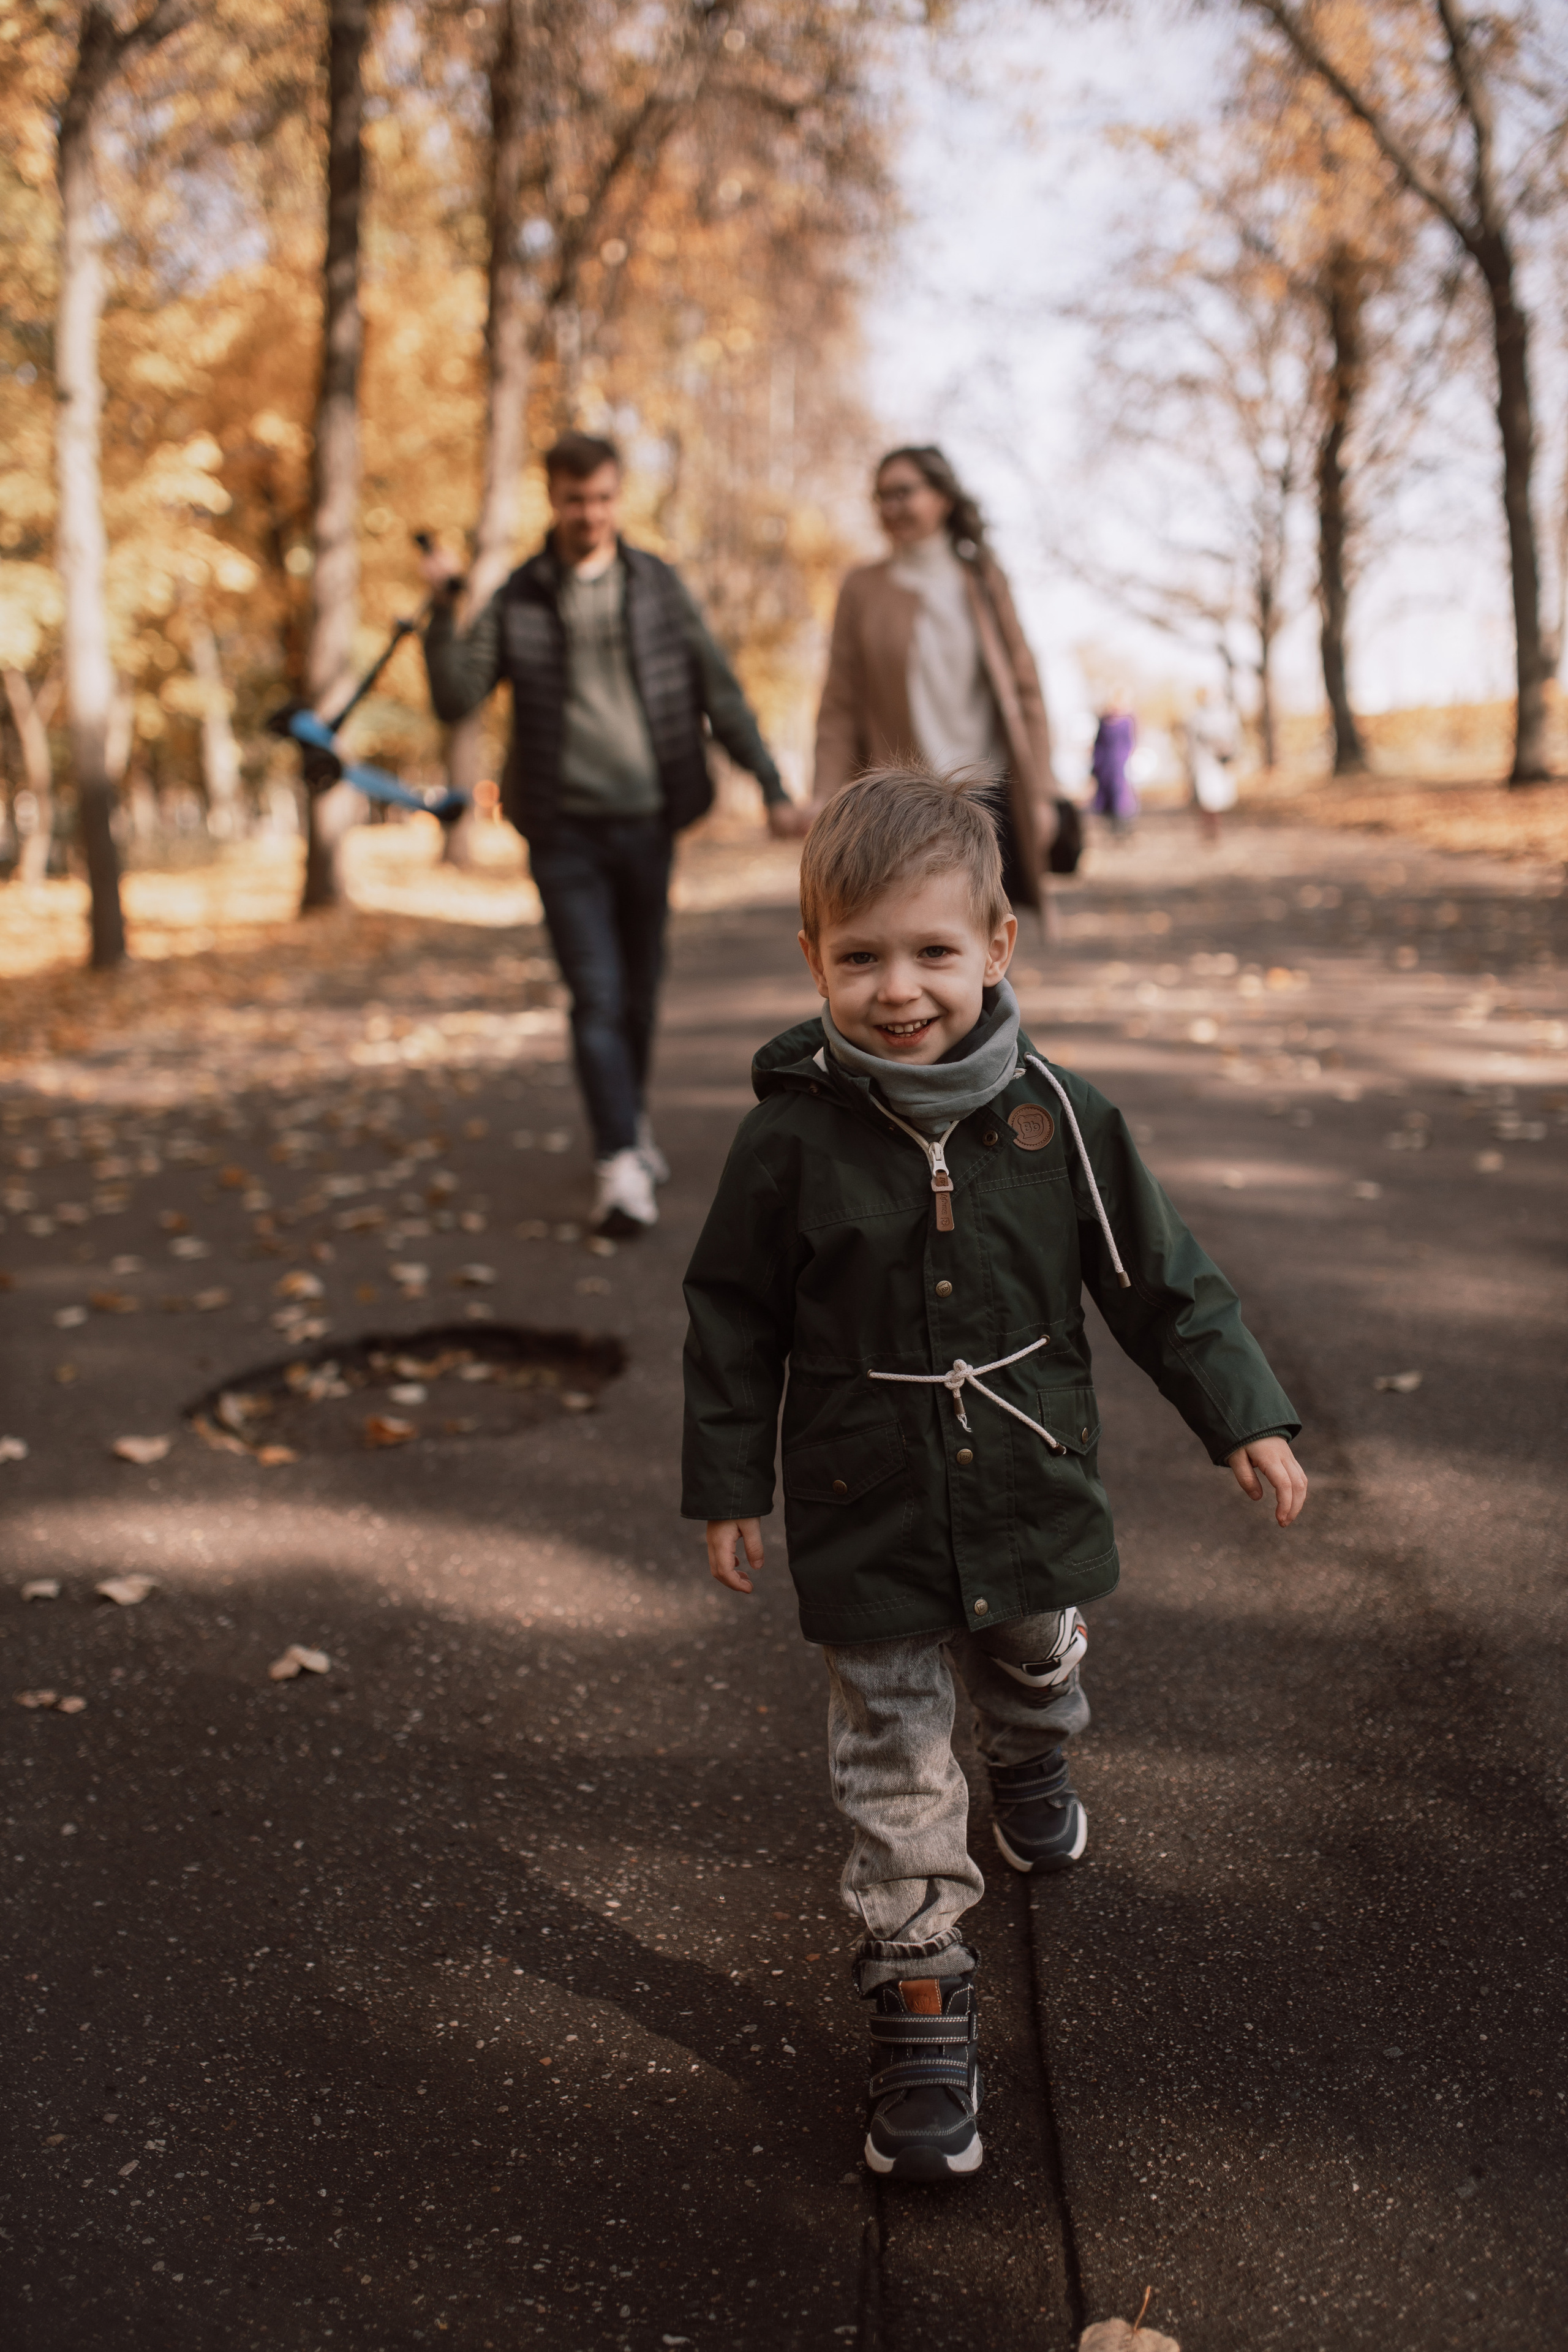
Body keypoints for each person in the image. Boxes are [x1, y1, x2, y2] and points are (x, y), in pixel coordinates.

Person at [680, 768, 1306, 2182]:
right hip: (864, 1500)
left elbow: (1163, 1283)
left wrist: (1240, 1417)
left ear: (996, 947)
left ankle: (1036, 1736)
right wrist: (729, 1482)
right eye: (858, 957)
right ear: (811, 959)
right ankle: (917, 1994)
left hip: (1026, 1480)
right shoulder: (786, 1139)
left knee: (1024, 1652)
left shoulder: (1062, 1119)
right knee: (890, 1744)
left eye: (930, 952)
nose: (896, 989)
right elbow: (731, 1318)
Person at [421, 431, 806, 1237]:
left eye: (601, 499)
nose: (588, 514)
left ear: (617, 498)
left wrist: (771, 785)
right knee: (594, 994)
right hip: (562, 832)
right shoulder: (524, 593)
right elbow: (457, 695)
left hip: (648, 823)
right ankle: (618, 1161)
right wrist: (439, 605)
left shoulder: (655, 584)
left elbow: (720, 691)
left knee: (637, 994)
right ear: (552, 499)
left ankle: (628, 1126)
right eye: (572, 500)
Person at [812, 445, 1058, 911]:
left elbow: (1026, 689)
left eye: (903, 492)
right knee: (922, 938)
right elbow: (839, 704)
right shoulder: (862, 588)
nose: (891, 508)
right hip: (905, 801)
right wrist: (825, 795)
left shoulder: (984, 579)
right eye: (881, 497)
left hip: (988, 798)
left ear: (943, 498)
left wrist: (1042, 791)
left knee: (988, 945)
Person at [1182, 684, 1240, 843]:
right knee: (1206, 798)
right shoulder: (1196, 717)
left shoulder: (1227, 714)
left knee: (1217, 798)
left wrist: (1230, 752)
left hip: (1219, 763)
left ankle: (1214, 828)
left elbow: (1235, 736)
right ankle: (1209, 828)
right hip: (1204, 762)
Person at [1089, 692, 1138, 832]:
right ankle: (1112, 828)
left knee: (1123, 794)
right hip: (1106, 763)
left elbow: (1132, 741)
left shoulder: (1127, 721)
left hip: (1122, 762)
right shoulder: (1104, 721)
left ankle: (1124, 828)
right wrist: (1096, 764)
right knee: (1107, 794)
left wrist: (1130, 759)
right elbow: (1099, 743)